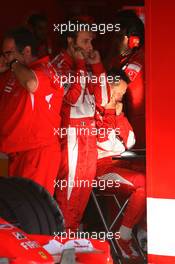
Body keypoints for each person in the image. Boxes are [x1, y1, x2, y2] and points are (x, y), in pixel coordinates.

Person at [52, 18, 107, 231]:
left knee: (83, 190)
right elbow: (72, 99)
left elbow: (103, 98)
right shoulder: (58, 65)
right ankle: (63, 243)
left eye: (91, 42)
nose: (90, 47)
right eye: (85, 41)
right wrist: (82, 66)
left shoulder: (88, 64)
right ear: (70, 40)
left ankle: (72, 240)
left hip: (89, 132)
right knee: (70, 190)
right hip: (71, 131)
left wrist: (98, 66)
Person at [0, 27, 63, 195]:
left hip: (37, 154)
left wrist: (13, 63)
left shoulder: (44, 70)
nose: (5, 59)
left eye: (8, 53)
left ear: (26, 51)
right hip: (16, 153)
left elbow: (30, 83)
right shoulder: (13, 72)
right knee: (16, 214)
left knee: (32, 213)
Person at [95, 73, 146, 260]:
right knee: (143, 183)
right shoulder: (93, 108)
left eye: (123, 94)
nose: (120, 97)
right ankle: (122, 237)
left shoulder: (116, 111)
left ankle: (143, 232)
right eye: (118, 92)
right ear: (107, 87)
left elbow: (131, 142)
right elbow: (107, 144)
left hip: (117, 166)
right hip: (99, 170)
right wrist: (110, 113)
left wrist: (120, 115)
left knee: (152, 178)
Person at [106, 10, 145, 150]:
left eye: (118, 37)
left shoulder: (137, 62)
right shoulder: (122, 59)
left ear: (134, 40)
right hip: (125, 125)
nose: (114, 41)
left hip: (137, 131)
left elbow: (111, 86)